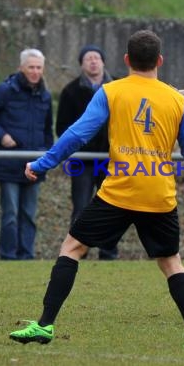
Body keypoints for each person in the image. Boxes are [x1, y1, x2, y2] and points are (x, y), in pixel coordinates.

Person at [8, 30, 184, 349]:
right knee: (171, 261)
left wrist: (42, 163)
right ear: (159, 61)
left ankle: (45, 325)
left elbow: (77, 135)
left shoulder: (111, 91)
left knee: (72, 247)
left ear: (127, 60)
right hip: (158, 194)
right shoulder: (176, 99)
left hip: (119, 191)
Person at [0, 48, 53, 260]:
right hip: (9, 163)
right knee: (10, 215)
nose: (35, 71)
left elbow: (47, 130)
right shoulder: (4, 91)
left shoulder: (45, 95)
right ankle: (8, 256)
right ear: (21, 68)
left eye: (38, 67)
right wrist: (2, 136)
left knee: (29, 214)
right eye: (31, 67)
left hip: (35, 165)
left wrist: (47, 154)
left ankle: (26, 256)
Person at [56, 44, 119, 260]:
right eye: (88, 58)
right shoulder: (70, 91)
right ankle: (76, 253)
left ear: (103, 62)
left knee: (112, 207)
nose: (93, 61)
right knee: (81, 207)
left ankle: (109, 252)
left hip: (111, 159)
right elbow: (62, 126)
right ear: (82, 64)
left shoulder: (118, 88)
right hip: (82, 160)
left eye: (96, 57)